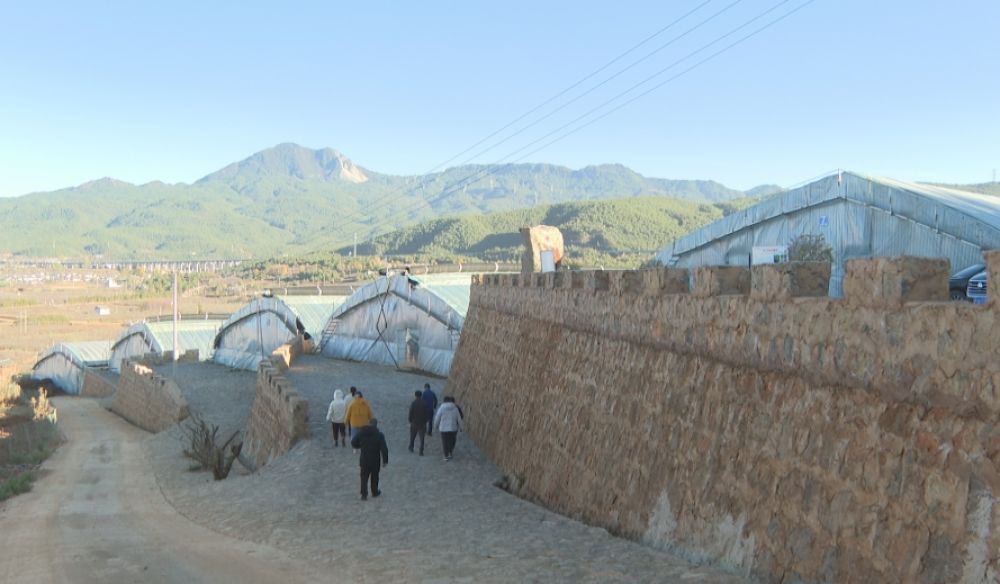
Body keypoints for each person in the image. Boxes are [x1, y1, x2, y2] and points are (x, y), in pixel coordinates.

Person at [350, 418, 388, 501]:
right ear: (376, 425)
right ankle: (374, 492)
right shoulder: (379, 435)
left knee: (364, 477)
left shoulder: (361, 432)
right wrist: (385, 461)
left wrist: (360, 446)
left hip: (364, 459)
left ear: (368, 423)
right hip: (375, 460)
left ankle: (364, 494)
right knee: (375, 477)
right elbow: (384, 449)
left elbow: (353, 442)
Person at [433, 396, 464, 461]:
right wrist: (461, 427)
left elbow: (437, 417)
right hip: (453, 428)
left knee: (445, 441)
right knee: (452, 440)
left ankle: (446, 455)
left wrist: (435, 425)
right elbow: (459, 418)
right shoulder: (455, 408)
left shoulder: (441, 408)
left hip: (443, 428)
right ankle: (450, 451)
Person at [408, 390, 428, 455]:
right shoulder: (424, 403)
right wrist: (425, 421)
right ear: (421, 395)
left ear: (415, 395)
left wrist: (410, 420)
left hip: (414, 422)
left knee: (412, 436)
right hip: (422, 423)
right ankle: (421, 451)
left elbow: (411, 412)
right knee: (422, 438)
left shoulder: (413, 403)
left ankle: (411, 447)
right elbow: (426, 414)